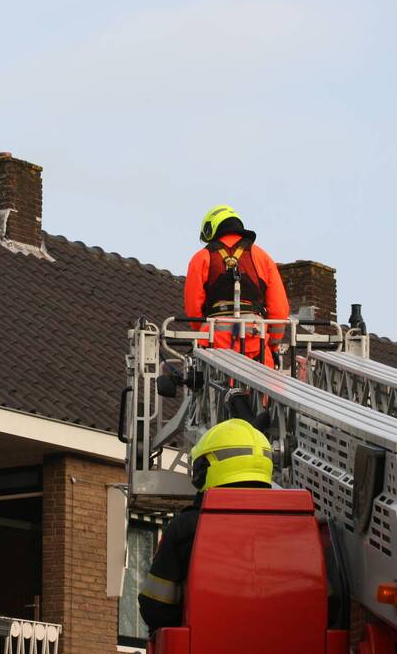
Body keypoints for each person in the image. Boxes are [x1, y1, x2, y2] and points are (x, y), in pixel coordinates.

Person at [137, 418, 273, 632]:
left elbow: (156, 608)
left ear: (204, 469)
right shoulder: (300, 525)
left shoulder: (188, 527)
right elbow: (329, 604)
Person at [184, 204, 290, 368]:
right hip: (257, 345)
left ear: (211, 228)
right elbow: (280, 310)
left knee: (210, 389)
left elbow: (193, 310)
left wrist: (206, 331)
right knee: (269, 390)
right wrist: (273, 345)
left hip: (213, 348)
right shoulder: (262, 257)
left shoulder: (201, 258)